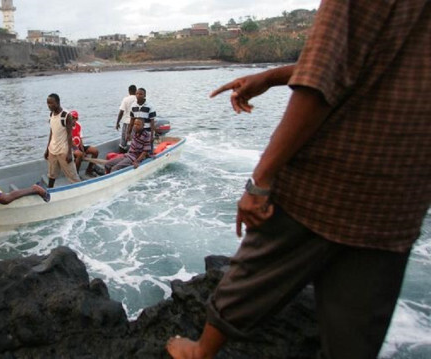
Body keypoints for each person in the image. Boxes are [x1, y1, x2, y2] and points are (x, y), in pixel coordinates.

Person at [167, 1, 430, 358]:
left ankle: (201, 351)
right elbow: (377, 66)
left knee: (257, 266)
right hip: (400, 194)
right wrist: (272, 76)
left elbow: (322, 78)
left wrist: (260, 181)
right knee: (354, 338)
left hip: (329, 180)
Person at [44, 93, 80, 188]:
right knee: (51, 175)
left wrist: (69, 153)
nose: (49, 105)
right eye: (48, 103)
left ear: (58, 102)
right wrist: (47, 149)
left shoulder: (66, 115)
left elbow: (69, 135)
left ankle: (79, 191)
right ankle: (49, 191)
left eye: (51, 103)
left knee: (73, 176)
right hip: (53, 150)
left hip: (63, 151)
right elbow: (52, 132)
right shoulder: (51, 114)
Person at [70, 110, 101, 177]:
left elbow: (80, 140)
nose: (72, 120)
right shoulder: (68, 127)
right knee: (79, 154)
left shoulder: (79, 126)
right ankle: (76, 175)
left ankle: (89, 170)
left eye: (73, 118)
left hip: (78, 146)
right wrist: (81, 152)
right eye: (71, 118)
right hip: (71, 149)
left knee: (95, 151)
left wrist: (83, 151)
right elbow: (71, 143)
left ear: (76, 119)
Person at [127, 88, 156, 152]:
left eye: (141, 94)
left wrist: (152, 135)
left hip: (147, 131)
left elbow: (152, 122)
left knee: (149, 150)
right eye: (137, 94)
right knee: (135, 149)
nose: (138, 95)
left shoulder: (150, 106)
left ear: (144, 95)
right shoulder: (133, 105)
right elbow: (132, 120)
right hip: (136, 131)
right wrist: (128, 133)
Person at [115, 85, 137, 151]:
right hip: (136, 123)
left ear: (129, 91)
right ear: (136, 91)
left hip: (127, 122)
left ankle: (122, 153)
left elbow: (121, 112)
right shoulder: (138, 99)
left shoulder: (126, 99)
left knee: (124, 141)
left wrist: (117, 123)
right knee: (134, 139)